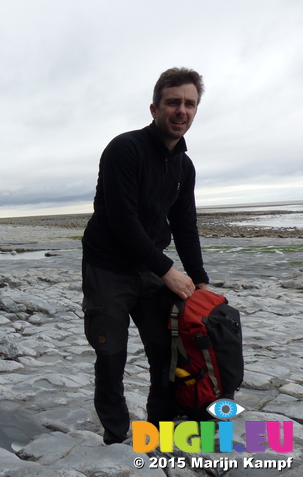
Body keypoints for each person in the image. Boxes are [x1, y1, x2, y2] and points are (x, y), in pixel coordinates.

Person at [81, 67, 210, 445]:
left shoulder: (184, 166)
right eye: (173, 102)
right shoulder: (125, 149)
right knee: (110, 355)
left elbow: (185, 225)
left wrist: (199, 279)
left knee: (167, 356)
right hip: (108, 264)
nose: (181, 110)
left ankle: (158, 434)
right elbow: (123, 221)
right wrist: (168, 271)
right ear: (155, 108)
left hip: (150, 266)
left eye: (190, 103)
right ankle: (117, 437)